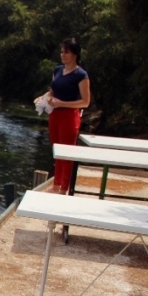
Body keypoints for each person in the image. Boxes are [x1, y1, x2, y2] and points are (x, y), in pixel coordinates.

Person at [36, 37, 91, 193]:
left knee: (67, 152)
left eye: (66, 52)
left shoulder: (81, 75)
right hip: (55, 115)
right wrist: (44, 97)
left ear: (74, 54)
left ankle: (63, 188)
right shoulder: (57, 70)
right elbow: (53, 91)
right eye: (61, 52)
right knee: (57, 150)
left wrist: (62, 103)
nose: (63, 55)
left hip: (69, 115)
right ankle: (56, 184)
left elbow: (85, 102)